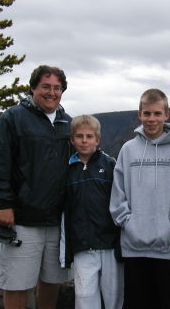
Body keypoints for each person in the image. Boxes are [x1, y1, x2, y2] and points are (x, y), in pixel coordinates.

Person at [0, 65, 73, 309]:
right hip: (21, 218)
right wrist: (3, 204)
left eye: (57, 88)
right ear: (33, 88)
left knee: (52, 279)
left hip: (57, 219)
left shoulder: (68, 123)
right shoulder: (13, 118)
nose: (51, 92)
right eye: (45, 86)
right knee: (16, 282)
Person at [109, 89, 170, 309]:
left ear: (167, 114)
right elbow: (118, 194)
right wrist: (129, 225)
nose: (151, 119)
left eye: (156, 113)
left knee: (168, 302)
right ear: (139, 115)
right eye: (147, 114)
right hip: (133, 244)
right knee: (135, 303)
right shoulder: (128, 149)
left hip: (168, 244)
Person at [60, 115, 124, 309]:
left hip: (110, 245)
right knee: (85, 296)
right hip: (82, 245)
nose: (84, 140)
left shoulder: (110, 165)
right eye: (79, 136)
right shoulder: (67, 170)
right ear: (72, 139)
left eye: (89, 136)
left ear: (98, 139)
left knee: (114, 297)